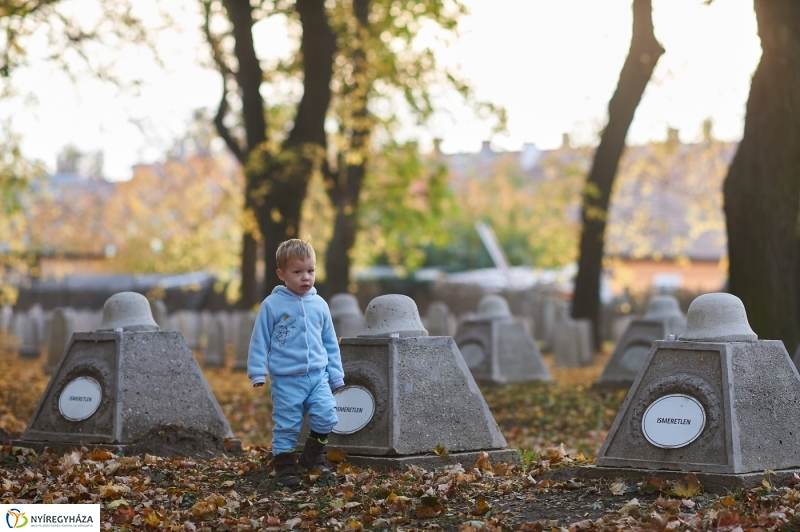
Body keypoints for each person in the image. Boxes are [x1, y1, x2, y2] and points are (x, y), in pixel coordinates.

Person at [247, 239, 345, 487]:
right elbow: (259, 339)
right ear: (282, 274)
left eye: (310, 271)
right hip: (287, 379)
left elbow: (330, 342)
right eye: (298, 272)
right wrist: (257, 371)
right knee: (288, 424)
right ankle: (284, 467)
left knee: (327, 414)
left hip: (318, 376)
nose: (306, 277)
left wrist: (336, 375)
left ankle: (312, 456)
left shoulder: (320, 305)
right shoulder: (272, 305)